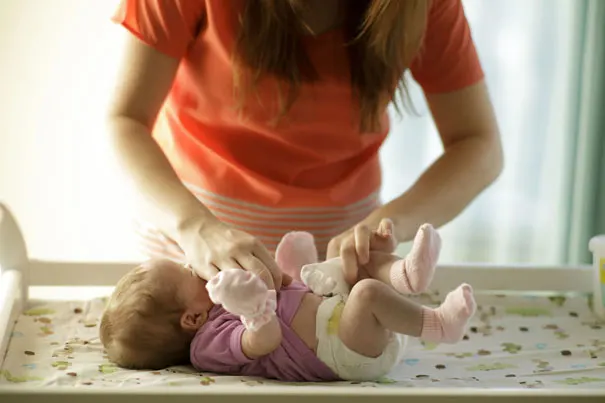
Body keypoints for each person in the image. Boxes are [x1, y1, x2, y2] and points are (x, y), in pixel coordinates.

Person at [107, 0, 503, 290]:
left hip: (341, 263)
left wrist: (390, 224)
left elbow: (479, 145)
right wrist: (194, 226)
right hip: (191, 250)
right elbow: (125, 120)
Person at [99, 223, 476, 381]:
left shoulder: (215, 303)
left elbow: (284, 301)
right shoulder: (207, 346)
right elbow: (264, 340)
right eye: (186, 272)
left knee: (346, 264)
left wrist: (285, 279)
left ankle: (407, 274)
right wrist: (254, 310)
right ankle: (440, 324)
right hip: (343, 351)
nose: (192, 265)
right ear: (192, 318)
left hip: (333, 316)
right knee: (366, 293)